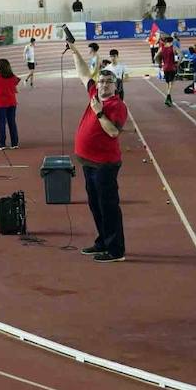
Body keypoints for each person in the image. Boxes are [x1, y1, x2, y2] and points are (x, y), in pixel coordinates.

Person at [68, 37, 129, 263]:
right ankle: (103, 241)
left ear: (115, 86)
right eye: (101, 81)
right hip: (89, 163)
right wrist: (74, 51)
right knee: (96, 205)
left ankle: (116, 251)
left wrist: (99, 112)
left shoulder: (117, 106)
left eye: (108, 82)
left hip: (105, 165)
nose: (103, 85)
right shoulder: (94, 94)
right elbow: (84, 74)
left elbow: (113, 132)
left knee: (108, 206)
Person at [0, 58, 21, 150]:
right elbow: (17, 81)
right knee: (12, 123)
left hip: (0, 104)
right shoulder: (12, 76)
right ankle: (14, 143)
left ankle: (2, 143)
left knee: (2, 123)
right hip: (11, 102)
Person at [158, 34, 178, 106]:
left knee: (167, 83)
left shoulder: (162, 48)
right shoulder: (173, 47)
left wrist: (159, 63)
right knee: (171, 83)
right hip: (172, 67)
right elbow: (181, 56)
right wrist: (178, 64)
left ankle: (169, 99)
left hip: (165, 68)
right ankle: (168, 96)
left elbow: (155, 57)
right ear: (171, 41)